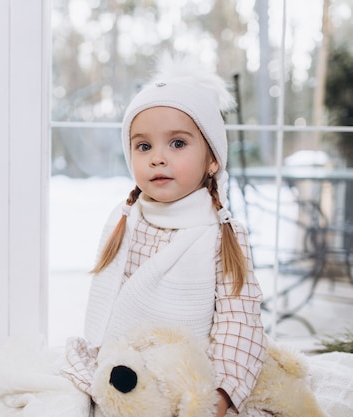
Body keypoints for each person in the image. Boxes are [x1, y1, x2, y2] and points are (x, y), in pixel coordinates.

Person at [63, 53, 269, 417]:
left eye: (177, 143)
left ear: (212, 159)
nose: (158, 157)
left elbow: (240, 322)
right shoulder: (126, 219)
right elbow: (109, 306)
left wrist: (218, 397)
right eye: (144, 146)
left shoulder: (221, 234)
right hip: (125, 374)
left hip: (188, 379)